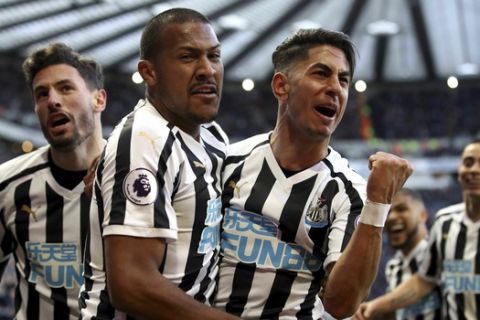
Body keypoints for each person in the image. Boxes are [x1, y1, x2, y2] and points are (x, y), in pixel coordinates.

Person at [213, 28, 413, 319]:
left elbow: (342, 304)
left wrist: (378, 205)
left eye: (343, 80)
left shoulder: (349, 191)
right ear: (281, 86)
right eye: (321, 74)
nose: (336, 88)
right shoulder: (229, 161)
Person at [80, 8, 238, 320]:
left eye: (214, 56)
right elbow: (131, 285)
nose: (208, 70)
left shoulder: (214, 138)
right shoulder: (144, 139)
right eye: (188, 57)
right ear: (149, 72)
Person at [0, 43, 106, 319]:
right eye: (41, 94)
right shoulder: (8, 185)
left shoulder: (140, 176)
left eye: (66, 88)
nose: (53, 100)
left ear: (99, 100)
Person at [354, 140, 480, 320]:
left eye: (402, 209)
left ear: (423, 215)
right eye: (468, 163)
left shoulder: (424, 247)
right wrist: (375, 307)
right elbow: (424, 280)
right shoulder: (445, 222)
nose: (474, 169)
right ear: (459, 171)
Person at [381, 188, 441, 319]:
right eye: (387, 212)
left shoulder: (440, 253)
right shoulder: (393, 266)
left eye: (401, 209)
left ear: (423, 215)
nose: (391, 217)